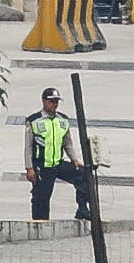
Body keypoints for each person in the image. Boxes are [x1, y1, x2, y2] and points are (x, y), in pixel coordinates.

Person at [26, 90, 93, 218]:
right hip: (42, 165)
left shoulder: (63, 120)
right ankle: (40, 225)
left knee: (83, 174)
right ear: (44, 101)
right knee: (42, 198)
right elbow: (28, 147)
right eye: (51, 101)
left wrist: (74, 159)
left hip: (58, 163)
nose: (54, 104)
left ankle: (82, 209)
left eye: (56, 102)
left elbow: (67, 142)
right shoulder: (34, 120)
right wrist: (29, 168)